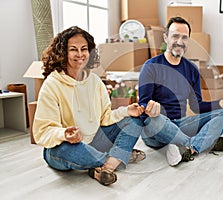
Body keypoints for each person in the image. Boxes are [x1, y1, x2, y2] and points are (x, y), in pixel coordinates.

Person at [33, 26, 146, 186]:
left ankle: (102, 167)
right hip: (64, 147)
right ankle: (116, 158)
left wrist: (126, 111)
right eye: (73, 49)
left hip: (95, 141)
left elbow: (105, 117)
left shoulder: (95, 82)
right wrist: (64, 134)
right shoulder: (52, 84)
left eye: (84, 49)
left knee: (134, 121)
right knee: (64, 150)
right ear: (63, 53)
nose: (80, 54)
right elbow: (43, 131)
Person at [138, 17, 223, 167]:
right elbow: (142, 106)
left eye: (184, 37)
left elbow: (197, 106)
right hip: (155, 127)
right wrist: (151, 109)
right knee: (154, 121)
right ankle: (205, 143)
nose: (180, 41)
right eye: (175, 36)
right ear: (165, 37)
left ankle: (189, 148)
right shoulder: (151, 66)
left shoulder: (191, 69)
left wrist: (221, 103)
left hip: (180, 124)